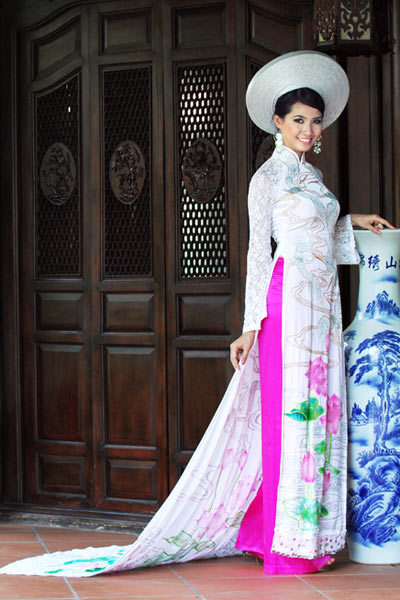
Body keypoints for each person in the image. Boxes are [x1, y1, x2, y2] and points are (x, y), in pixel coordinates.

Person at [0, 50, 394, 579]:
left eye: (315, 121)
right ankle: (286, 543)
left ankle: (308, 537)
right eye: (298, 120)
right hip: (289, 305)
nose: (308, 129)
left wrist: (352, 220)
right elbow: (260, 252)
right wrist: (251, 326)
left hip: (323, 306)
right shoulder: (267, 179)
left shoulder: (316, 179)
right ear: (278, 122)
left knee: (320, 410)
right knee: (292, 415)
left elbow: (319, 236)